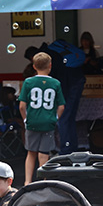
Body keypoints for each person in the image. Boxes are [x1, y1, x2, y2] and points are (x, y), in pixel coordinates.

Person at [19, 52, 66, 186]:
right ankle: (44, 181)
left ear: (34, 66)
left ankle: (27, 181)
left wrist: (25, 120)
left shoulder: (28, 82)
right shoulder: (55, 83)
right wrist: (55, 118)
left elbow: (22, 106)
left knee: (31, 152)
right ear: (50, 66)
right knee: (44, 153)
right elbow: (61, 106)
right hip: (48, 123)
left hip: (32, 122)